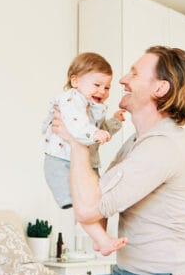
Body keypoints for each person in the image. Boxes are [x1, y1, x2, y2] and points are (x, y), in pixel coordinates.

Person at [26, 46, 185, 275]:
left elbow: (86, 209)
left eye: (135, 73)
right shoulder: (135, 143)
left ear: (160, 88)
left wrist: (76, 141)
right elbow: (95, 210)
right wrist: (77, 142)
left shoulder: (163, 146)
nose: (123, 79)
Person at [41, 52, 128, 256]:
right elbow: (76, 125)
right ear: (75, 81)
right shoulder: (70, 99)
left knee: (97, 200)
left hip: (83, 161)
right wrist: (95, 133)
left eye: (107, 87)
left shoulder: (92, 105)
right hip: (61, 161)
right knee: (83, 204)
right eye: (96, 85)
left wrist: (114, 122)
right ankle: (102, 240)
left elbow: (98, 128)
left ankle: (100, 240)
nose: (102, 91)